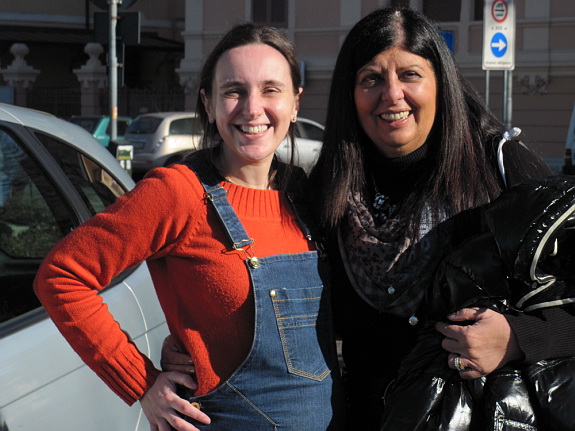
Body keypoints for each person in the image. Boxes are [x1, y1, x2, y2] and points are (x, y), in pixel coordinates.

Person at [34, 23, 344, 431]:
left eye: (271, 89)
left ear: (295, 103)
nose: (253, 108)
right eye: (234, 91)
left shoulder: (307, 195)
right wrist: (142, 382)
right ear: (208, 104)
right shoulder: (177, 192)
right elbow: (61, 276)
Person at [305, 6, 575, 430]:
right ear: (349, 93)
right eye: (371, 78)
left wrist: (518, 338)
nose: (391, 94)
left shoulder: (497, 167)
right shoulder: (329, 189)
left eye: (410, 74)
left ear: (440, 83)